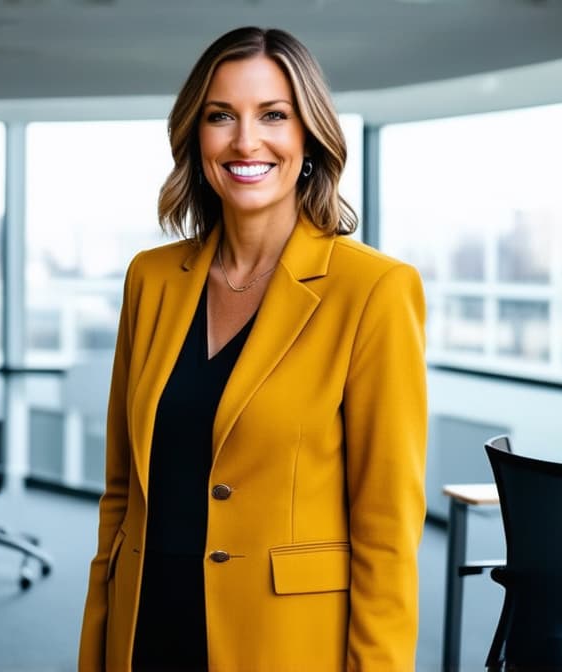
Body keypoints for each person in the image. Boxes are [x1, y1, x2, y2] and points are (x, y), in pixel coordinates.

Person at [79, 26, 427, 671]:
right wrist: (97, 645)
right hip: (148, 627)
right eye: (221, 117)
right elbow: (121, 493)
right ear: (195, 135)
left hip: (284, 640)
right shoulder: (150, 279)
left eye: (274, 115)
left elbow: (387, 527)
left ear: (309, 135)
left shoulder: (374, 290)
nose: (245, 141)